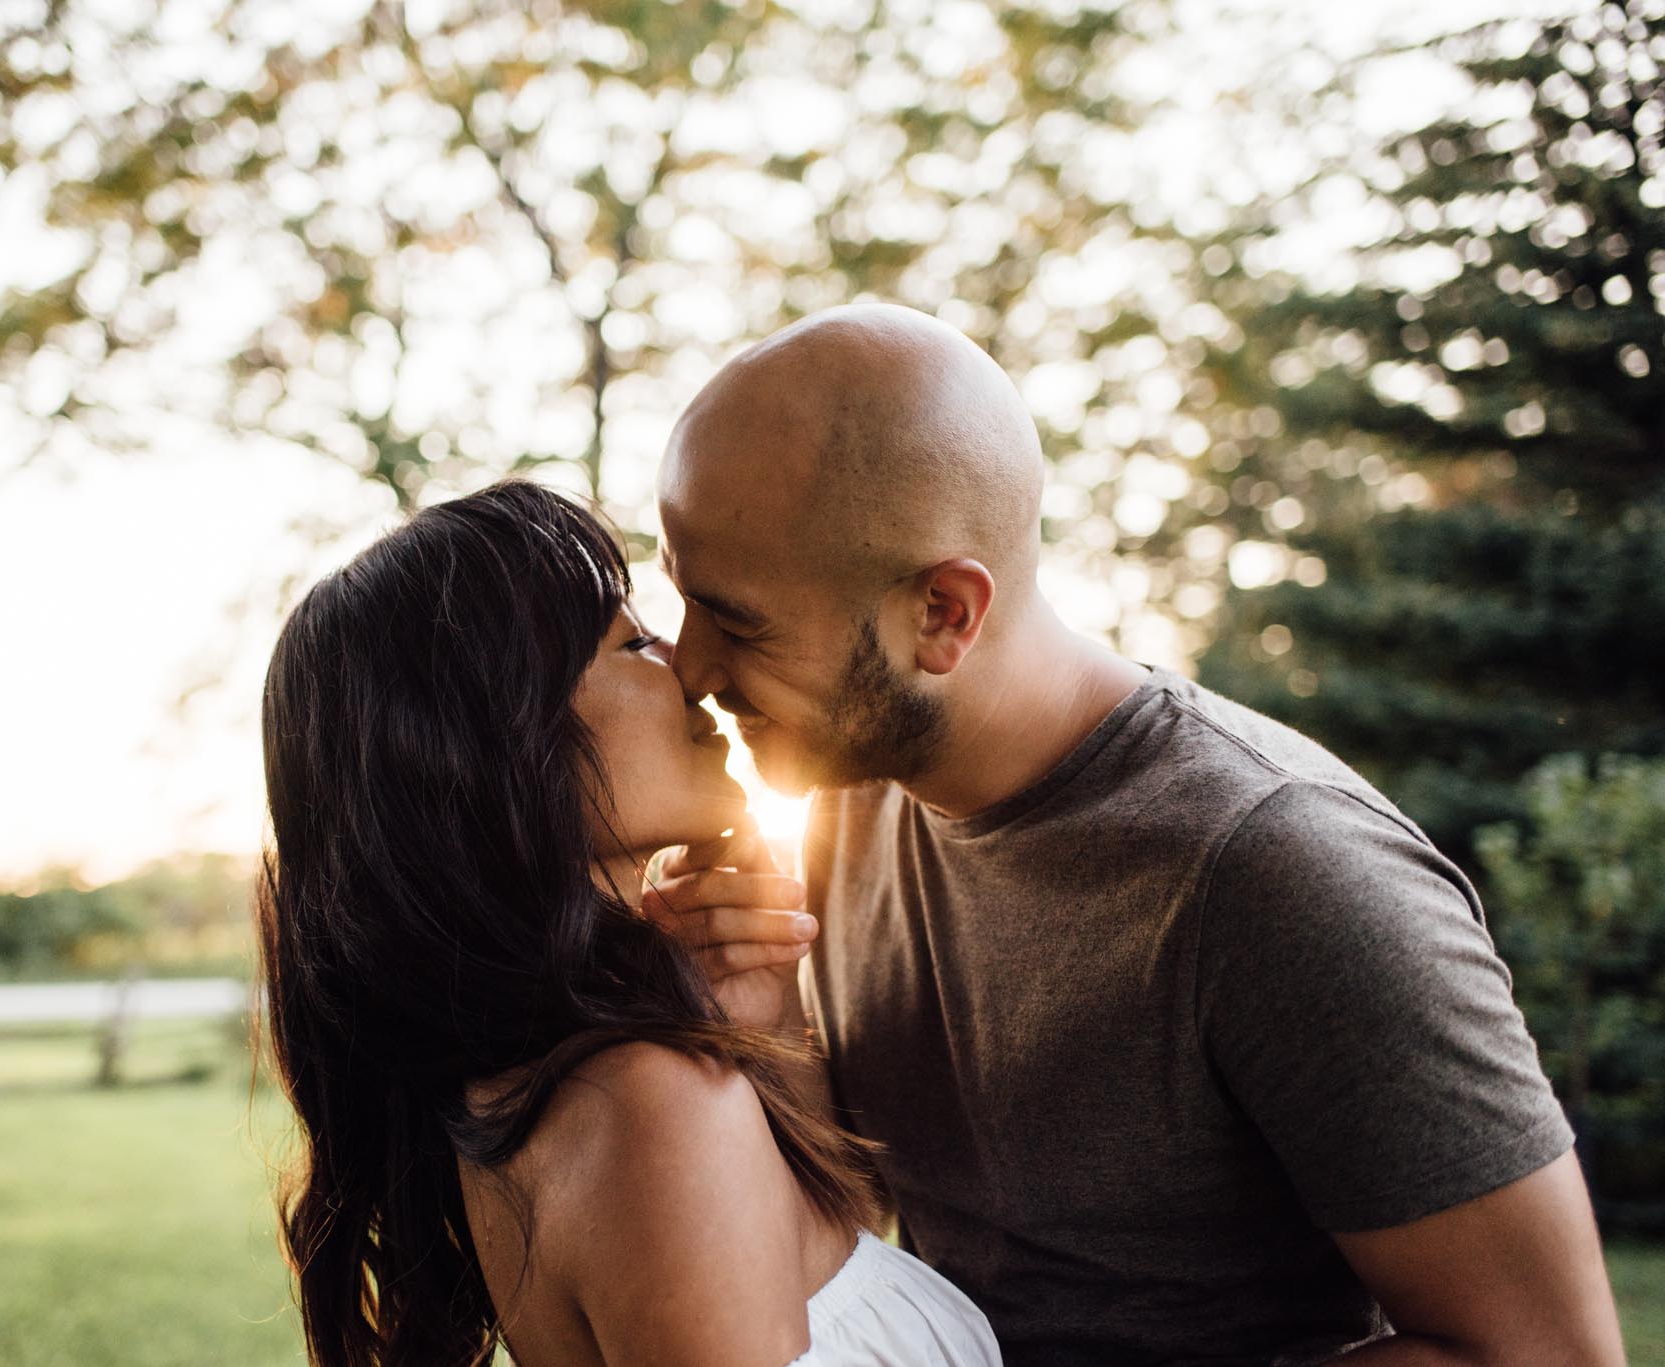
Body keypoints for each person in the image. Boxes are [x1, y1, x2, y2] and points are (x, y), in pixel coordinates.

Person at [647, 301, 1629, 1366]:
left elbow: (1547, 1353)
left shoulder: (1282, 872)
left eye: (738, 622)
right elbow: (851, 1228)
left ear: (942, 613)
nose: (689, 666)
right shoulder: (855, 796)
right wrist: (765, 1017)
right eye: (682, 602)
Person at [253, 480, 1004, 1367]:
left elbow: (831, 1276)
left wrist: (762, 1026)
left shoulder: (536, 1085)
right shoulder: (648, 1102)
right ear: (505, 743)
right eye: (631, 640)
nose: (689, 667)